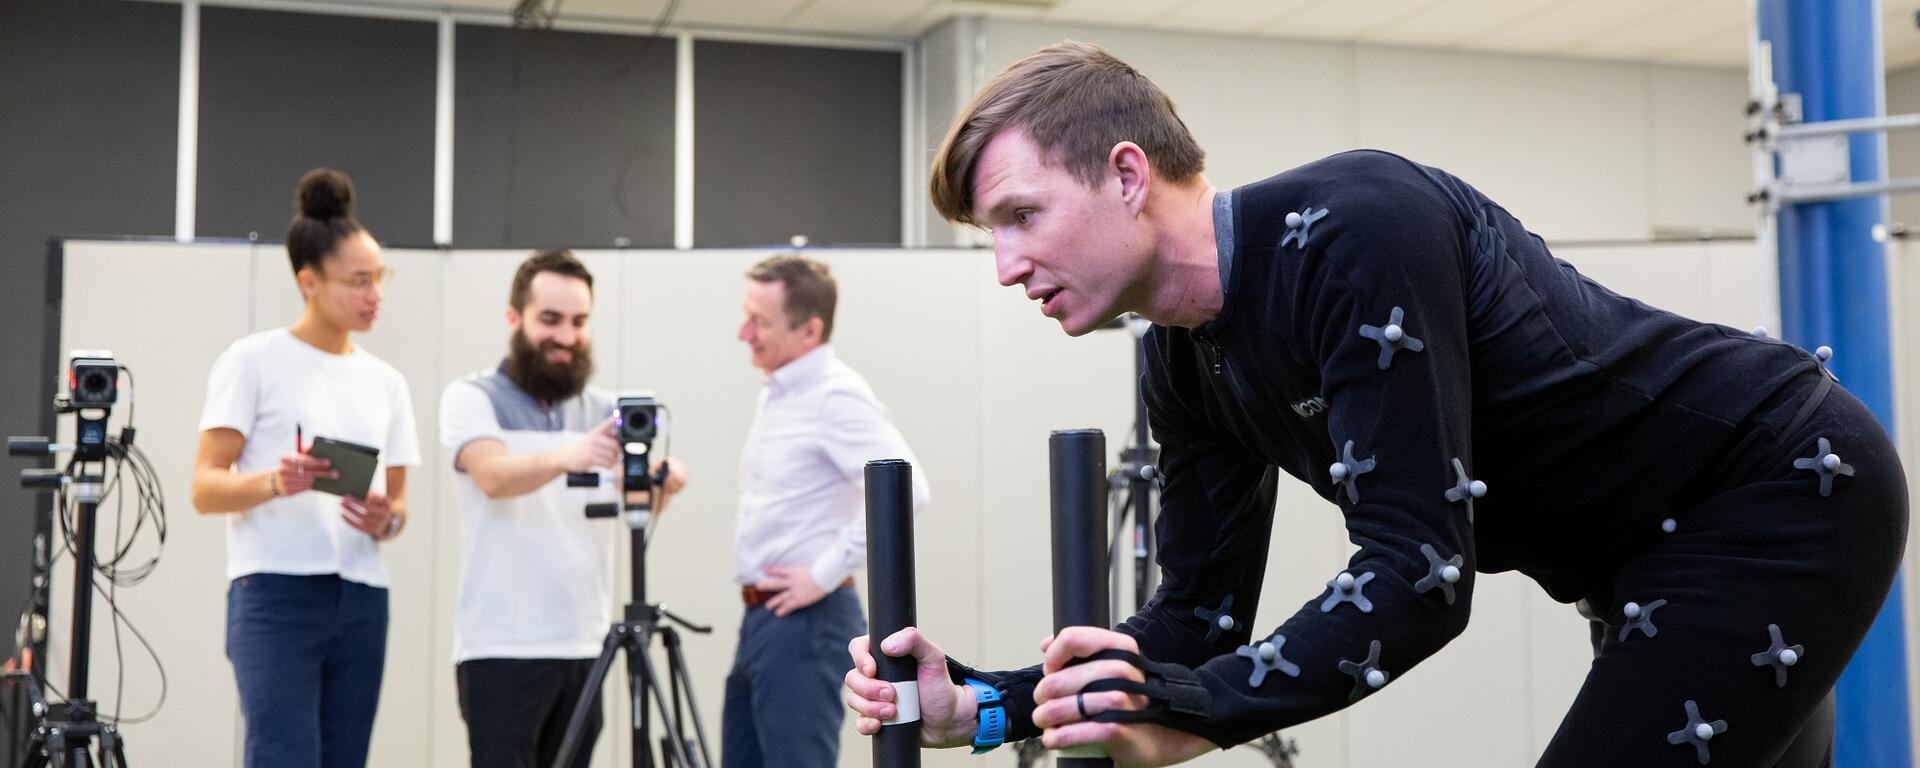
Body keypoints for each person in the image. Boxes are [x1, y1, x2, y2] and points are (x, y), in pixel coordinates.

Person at [842, 41, 1908, 768]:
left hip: (1777, 488)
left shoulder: (1354, 227)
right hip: (1645, 568)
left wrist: (1195, 716)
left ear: (1126, 174)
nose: (1006, 266)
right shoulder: (1182, 359)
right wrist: (979, 706)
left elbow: (1420, 574)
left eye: (1022, 216)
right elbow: (1194, 620)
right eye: (994, 235)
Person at [191, 168, 421, 768]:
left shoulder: (387, 383)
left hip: (362, 598)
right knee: (283, 756)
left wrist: (383, 519)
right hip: (274, 592)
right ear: (309, 282)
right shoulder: (254, 361)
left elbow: (397, 509)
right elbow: (204, 488)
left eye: (380, 279)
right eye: (359, 281)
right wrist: (276, 480)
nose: (375, 296)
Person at [439, 249, 687, 768]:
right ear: (515, 318)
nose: (566, 337)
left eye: (579, 322)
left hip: (585, 639)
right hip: (503, 645)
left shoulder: (608, 411)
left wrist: (660, 483)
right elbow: (492, 477)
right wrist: (568, 455)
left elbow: (635, 501)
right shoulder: (472, 397)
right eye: (550, 320)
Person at [725, 254, 931, 767]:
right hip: (764, 622)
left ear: (809, 330)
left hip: (806, 624)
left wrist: (821, 573)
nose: (743, 332)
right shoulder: (778, 392)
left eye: (760, 321)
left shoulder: (833, 395)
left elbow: (911, 489)